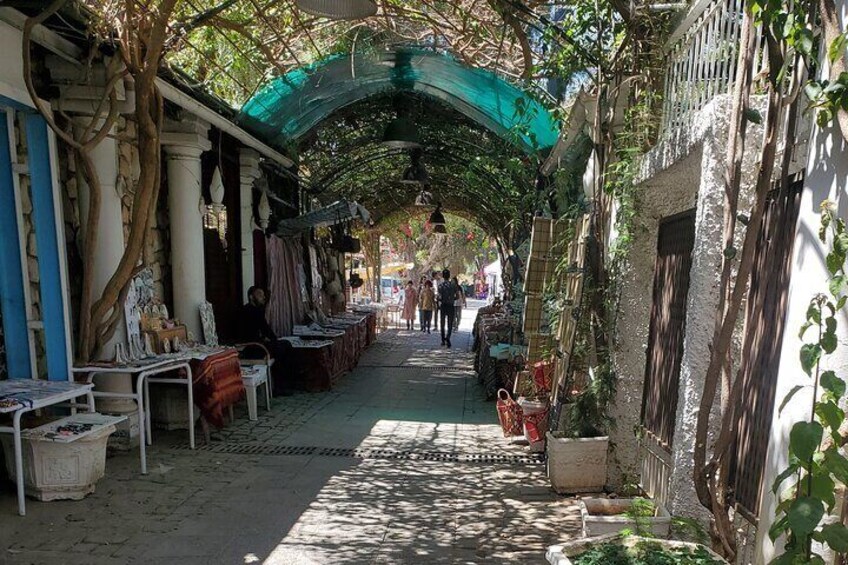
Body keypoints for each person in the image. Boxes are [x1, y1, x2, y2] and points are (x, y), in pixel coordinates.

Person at [237, 287, 292, 395]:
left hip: (258, 344)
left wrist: (273, 340)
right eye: (260, 295)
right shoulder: (249, 311)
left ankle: (282, 385)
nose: (263, 298)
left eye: (263, 295)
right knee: (282, 348)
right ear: (251, 297)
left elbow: (265, 330)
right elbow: (264, 330)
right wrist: (272, 340)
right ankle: (280, 387)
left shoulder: (256, 310)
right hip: (252, 348)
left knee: (285, 345)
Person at [437, 269, 461, 348]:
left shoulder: (440, 286)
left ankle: (443, 340)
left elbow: (438, 297)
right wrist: (452, 299)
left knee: (442, 323)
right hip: (451, 306)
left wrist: (441, 300)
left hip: (443, 306)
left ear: (443, 276)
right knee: (450, 323)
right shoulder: (453, 285)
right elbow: (457, 296)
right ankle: (448, 337)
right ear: (449, 276)